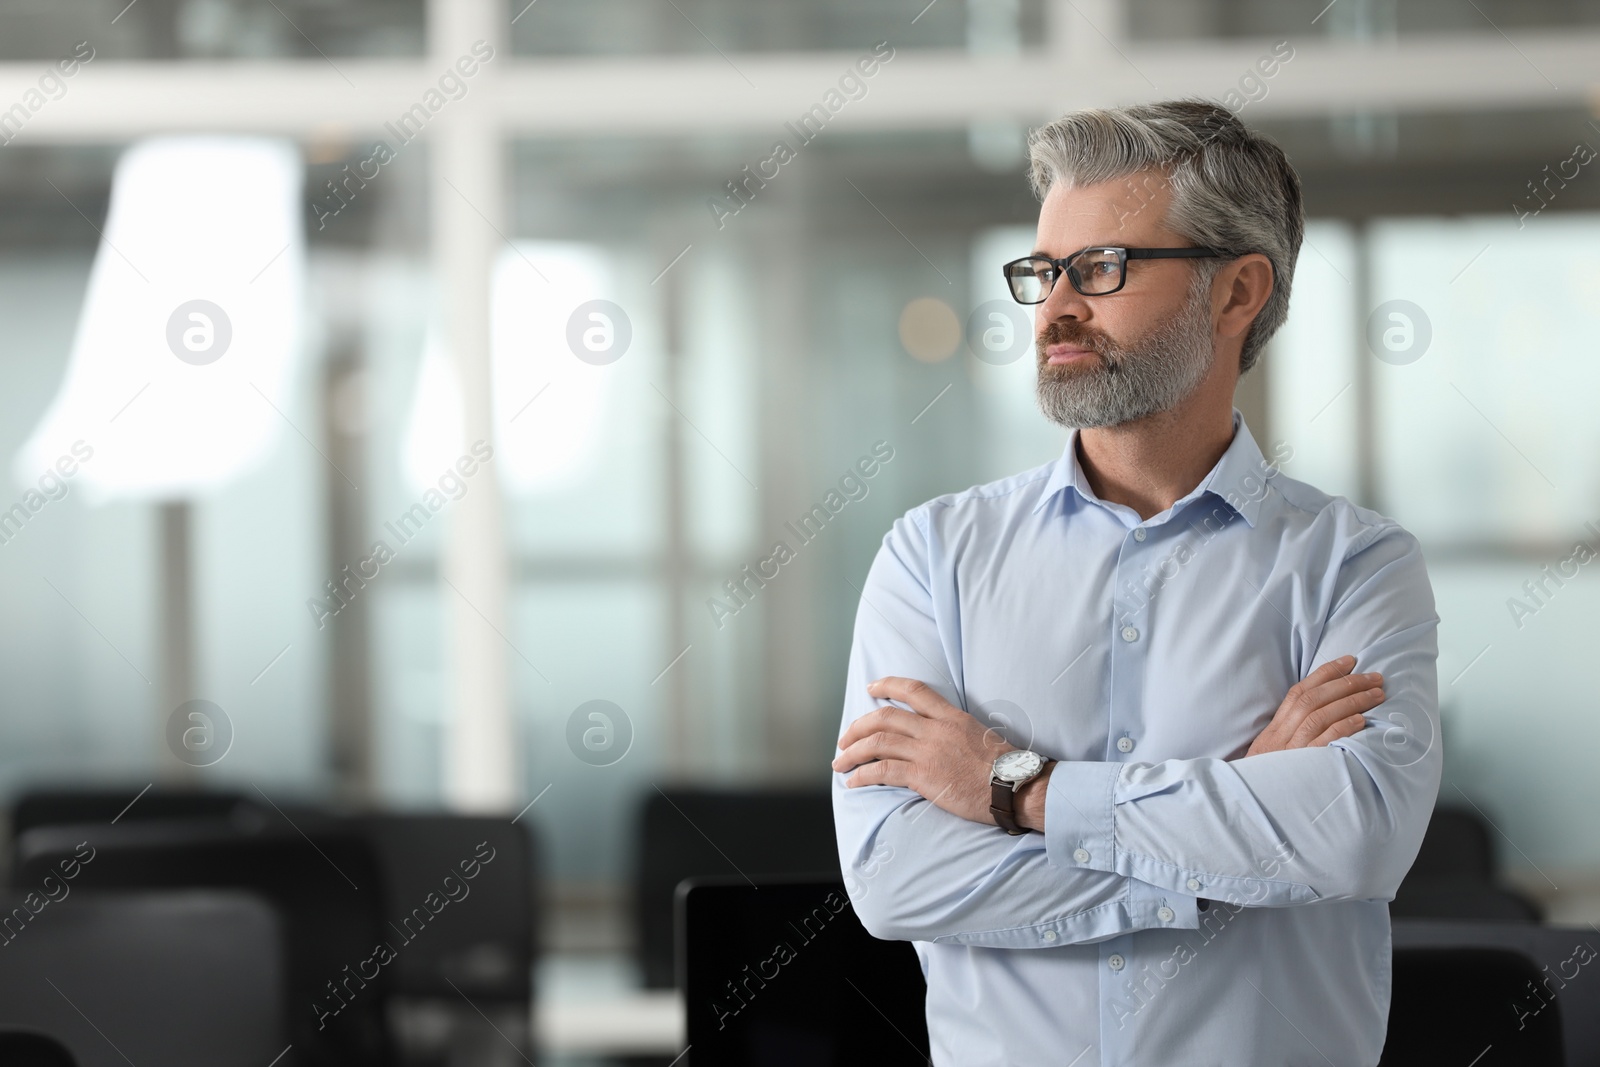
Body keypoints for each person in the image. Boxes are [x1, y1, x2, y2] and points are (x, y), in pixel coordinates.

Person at [831, 99, 1439, 1066]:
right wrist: (1233, 815)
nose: (1057, 306)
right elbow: (896, 878)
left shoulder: (1355, 564)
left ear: (1237, 291)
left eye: (1103, 268)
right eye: (1044, 272)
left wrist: (1018, 790)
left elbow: (1351, 841)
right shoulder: (932, 555)